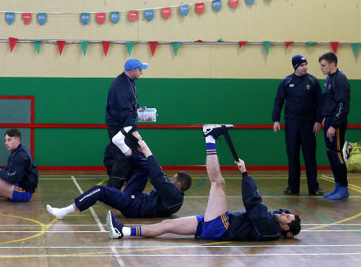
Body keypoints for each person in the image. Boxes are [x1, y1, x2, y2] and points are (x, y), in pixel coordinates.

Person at [107, 124, 301, 241]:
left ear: (286, 230)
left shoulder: (270, 229)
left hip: (221, 227)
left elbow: (253, 203)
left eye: (287, 218)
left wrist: (245, 174)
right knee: (166, 224)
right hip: (213, 227)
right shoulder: (273, 222)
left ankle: (209, 137)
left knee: (218, 183)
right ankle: (122, 231)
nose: (284, 213)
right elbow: (263, 209)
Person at [47, 139, 191, 219]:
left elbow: (158, 178)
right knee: (146, 169)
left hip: (134, 206)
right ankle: (124, 147)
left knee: (100, 190)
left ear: (178, 185)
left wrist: (147, 150)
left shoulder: (173, 195)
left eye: (173, 179)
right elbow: (157, 177)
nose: (169, 179)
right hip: (138, 198)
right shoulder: (174, 195)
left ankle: (64, 211)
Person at [272, 55, 324, 196]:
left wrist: (318, 121)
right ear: (295, 66)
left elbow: (320, 102)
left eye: (306, 64)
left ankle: (314, 187)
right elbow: (278, 101)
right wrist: (276, 120)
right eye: (301, 65)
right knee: (293, 155)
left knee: (310, 156)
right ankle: (292, 187)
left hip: (309, 124)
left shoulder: (313, 81)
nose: (305, 67)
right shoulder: (286, 82)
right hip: (292, 124)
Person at [104, 58, 148, 189]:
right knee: (122, 159)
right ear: (132, 71)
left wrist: (138, 109)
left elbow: (129, 105)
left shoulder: (130, 82)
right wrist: (134, 131)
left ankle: (131, 189)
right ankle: (112, 192)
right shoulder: (121, 86)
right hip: (119, 127)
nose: (142, 72)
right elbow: (124, 112)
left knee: (134, 156)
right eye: (140, 70)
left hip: (124, 126)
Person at [319, 51, 350, 200]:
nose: (321, 68)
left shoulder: (340, 79)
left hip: (336, 122)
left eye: (323, 65)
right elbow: (329, 101)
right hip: (330, 119)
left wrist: (334, 125)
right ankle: (337, 185)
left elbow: (343, 105)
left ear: (332, 64)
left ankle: (343, 188)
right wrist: (325, 117)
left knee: (337, 153)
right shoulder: (329, 79)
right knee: (331, 153)